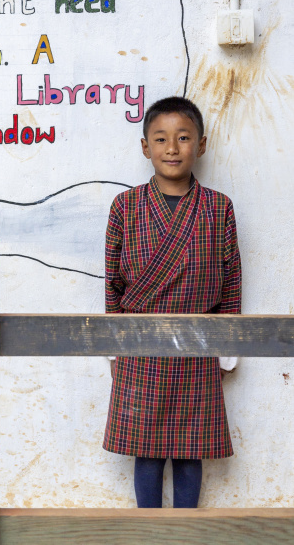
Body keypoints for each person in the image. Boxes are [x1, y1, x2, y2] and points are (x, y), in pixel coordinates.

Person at [102, 96, 241, 508]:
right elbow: (112, 280)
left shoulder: (218, 208)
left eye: (183, 138)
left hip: (199, 342)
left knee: (189, 448)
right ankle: (149, 530)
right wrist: (114, 341)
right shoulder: (124, 207)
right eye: (161, 139)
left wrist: (228, 343)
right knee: (145, 449)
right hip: (140, 342)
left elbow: (231, 277)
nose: (172, 148)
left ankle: (186, 531)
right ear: (146, 147)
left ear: (201, 144)